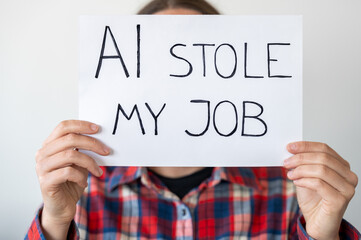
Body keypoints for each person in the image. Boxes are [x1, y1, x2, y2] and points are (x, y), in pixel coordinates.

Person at [26, 0, 360, 239]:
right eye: (159, 53)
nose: (175, 77)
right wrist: (55, 222)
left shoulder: (291, 191)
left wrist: (323, 234)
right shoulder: (81, 190)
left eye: (194, 48)